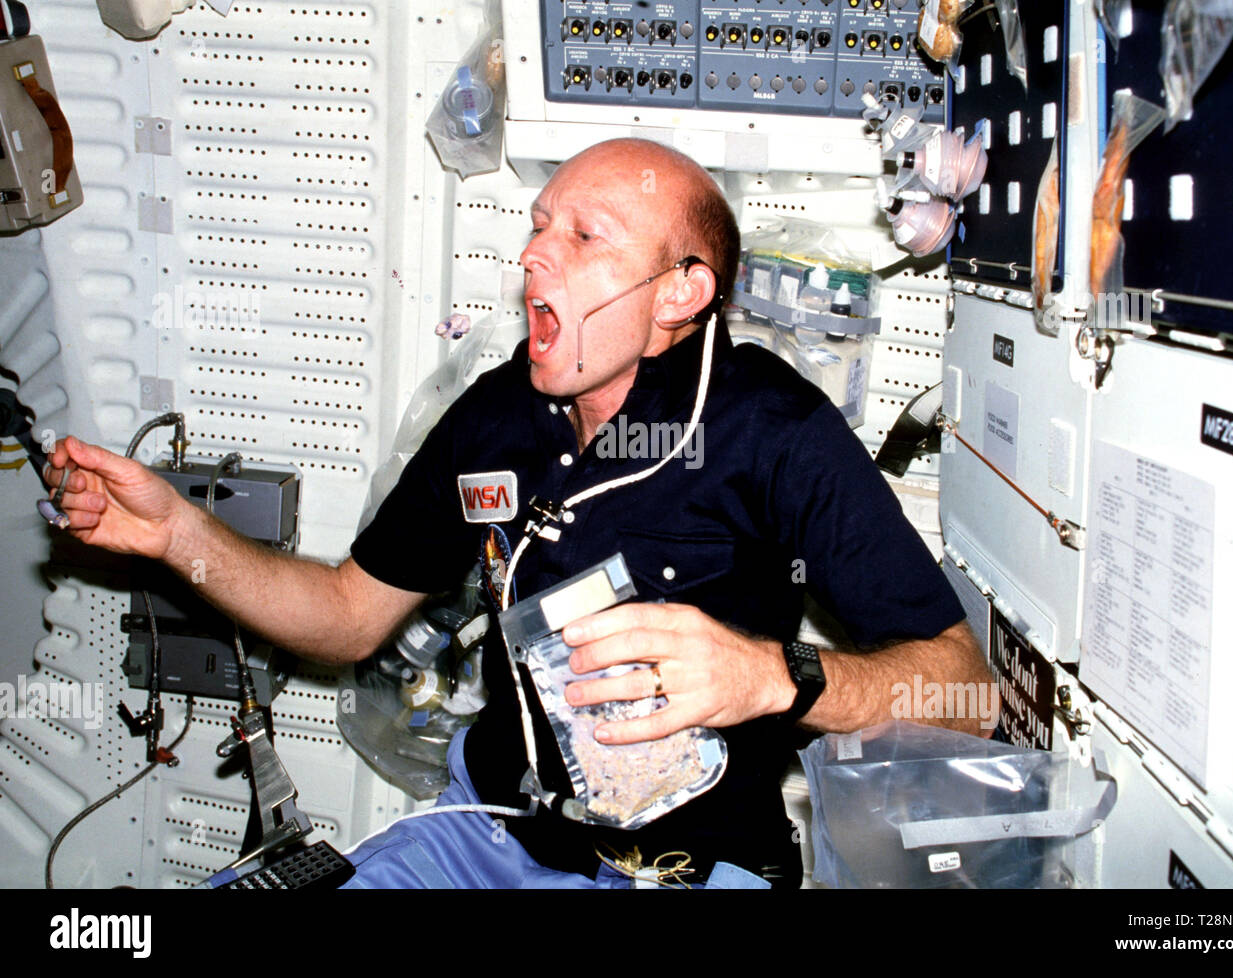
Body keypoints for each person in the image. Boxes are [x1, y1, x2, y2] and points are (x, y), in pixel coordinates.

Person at [42, 138, 991, 889]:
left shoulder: (771, 429)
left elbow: (968, 694)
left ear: (680, 292)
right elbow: (342, 616)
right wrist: (179, 537)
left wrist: (777, 674)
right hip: (487, 837)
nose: (537, 252)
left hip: (696, 866)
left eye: (587, 236)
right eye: (540, 227)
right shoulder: (498, 417)